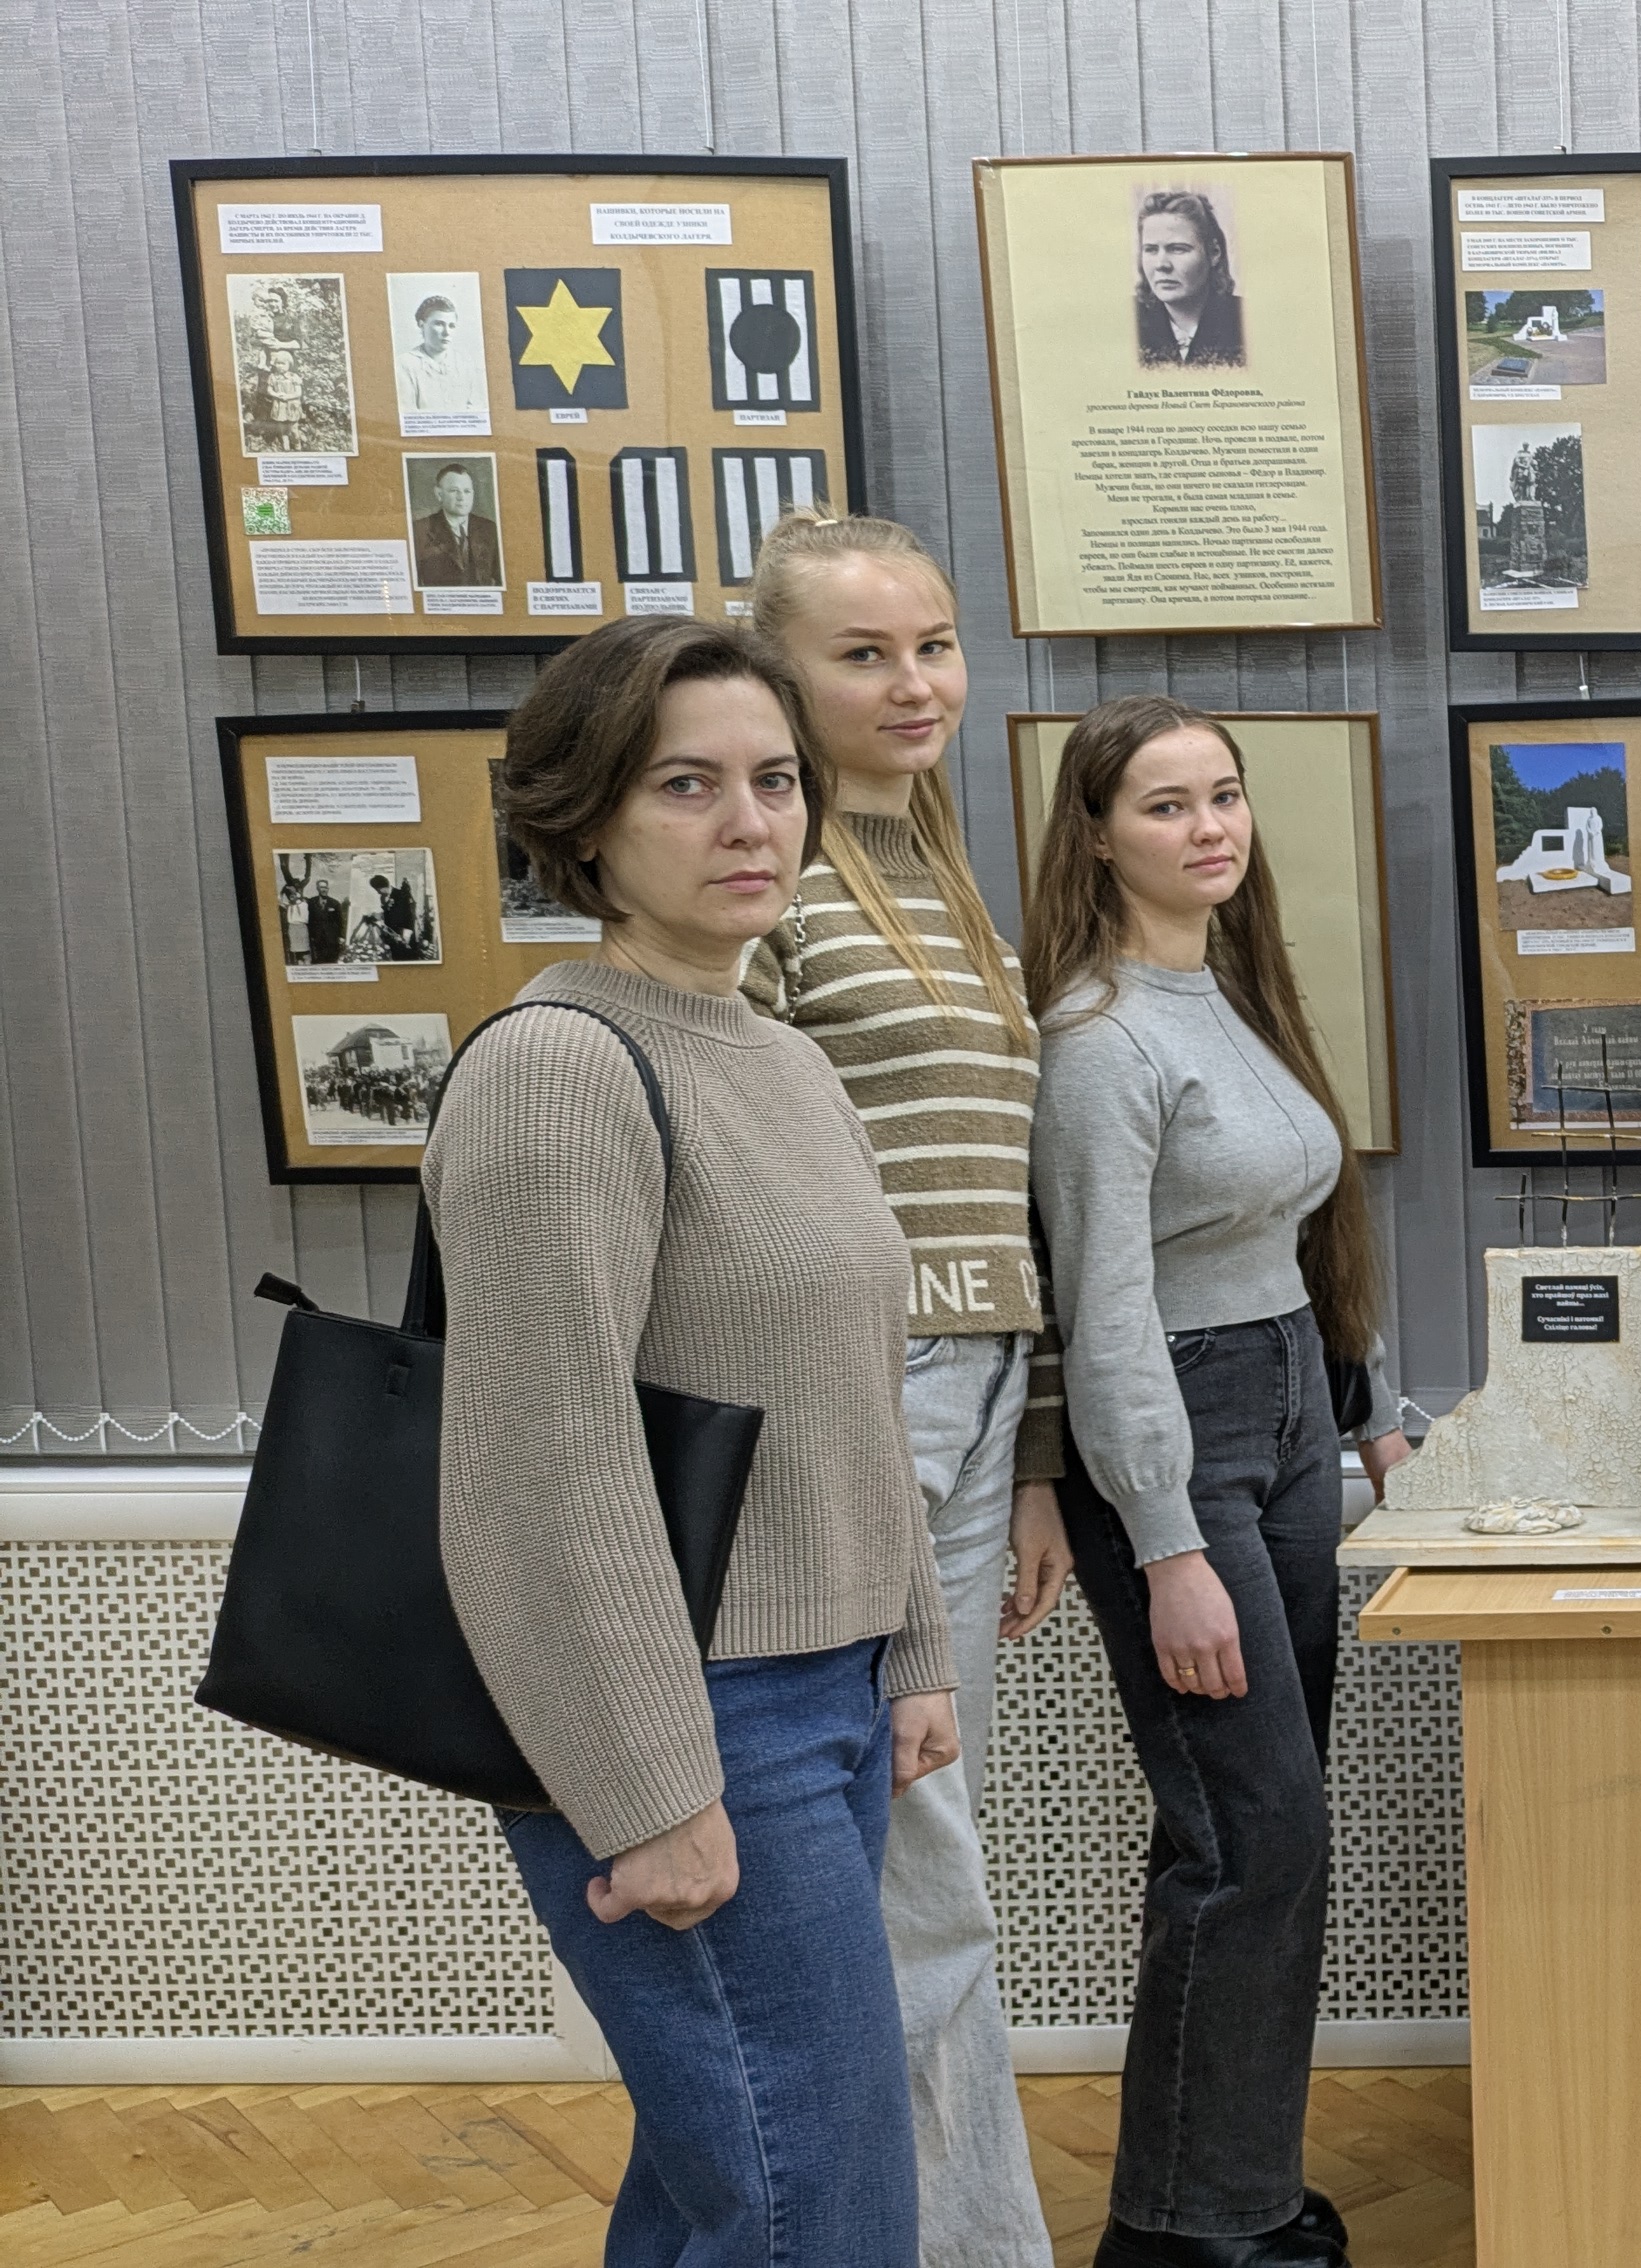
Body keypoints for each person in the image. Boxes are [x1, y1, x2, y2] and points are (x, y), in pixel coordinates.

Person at [432, 612, 957, 2265]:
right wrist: (646, 1789)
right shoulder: (557, 1068)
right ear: (586, 818)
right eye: (687, 784)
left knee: (734, 2185)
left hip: (826, 1694)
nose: (749, 822)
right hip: (691, 1713)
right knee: (822, 2211)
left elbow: (856, 1384)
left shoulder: (785, 1060)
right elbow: (541, 1470)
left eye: (776, 780)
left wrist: (911, 1646)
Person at [1033, 695, 1407, 2268]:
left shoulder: (1230, 998)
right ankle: (1181, 2230)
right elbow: (1105, 1309)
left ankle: (1230, 2185)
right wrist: (1164, 1543)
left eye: (1226, 796)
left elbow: (1303, 1238)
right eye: (1167, 804)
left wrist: (1373, 1417)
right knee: (1249, 1836)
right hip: (1178, 1440)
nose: (1209, 828)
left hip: (1287, 1412)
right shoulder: (1098, 1040)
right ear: (1097, 834)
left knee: (1267, 1833)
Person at [738, 507, 1061, 2268]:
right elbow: (752, 1197)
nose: (914, 681)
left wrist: (1034, 1455)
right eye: (862, 653)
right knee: (911, 1872)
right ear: (779, 676)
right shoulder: (767, 882)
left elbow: (1000, 1191)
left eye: (932, 644)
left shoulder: (942, 869)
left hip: (976, 1393)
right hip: (859, 1397)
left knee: (927, 1852)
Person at [1133, 190, 1247, 368]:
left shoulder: (1246, 322)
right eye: (1151, 250)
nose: (1161, 264)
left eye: (1178, 249)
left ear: (1214, 253)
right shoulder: (1127, 321)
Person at [415, 463, 502, 589]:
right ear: (439, 494)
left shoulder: (489, 529)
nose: (461, 497)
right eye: (454, 491)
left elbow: (501, 580)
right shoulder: (419, 530)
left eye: (467, 491)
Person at [396, 292, 475, 418]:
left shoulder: (464, 363)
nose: (447, 332)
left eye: (451, 326)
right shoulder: (404, 364)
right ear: (421, 325)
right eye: (439, 324)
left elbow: (474, 410)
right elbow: (408, 416)